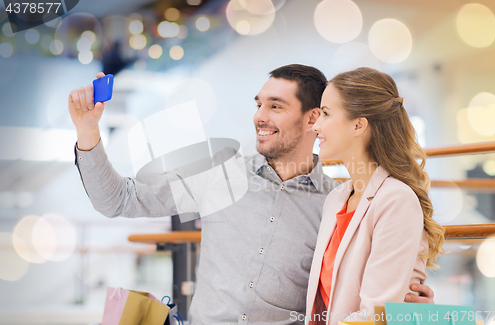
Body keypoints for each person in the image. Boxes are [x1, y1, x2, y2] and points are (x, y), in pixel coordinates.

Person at [68, 65, 434, 325]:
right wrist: (88, 132)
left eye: (275, 106)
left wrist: (409, 304)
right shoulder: (220, 177)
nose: (259, 116)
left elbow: (351, 288)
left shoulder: (335, 202)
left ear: (312, 119)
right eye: (259, 104)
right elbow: (119, 200)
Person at [306, 67, 445, 325]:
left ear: (359, 124)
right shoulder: (336, 199)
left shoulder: (396, 200)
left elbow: (374, 316)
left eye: (325, 113)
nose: (316, 125)